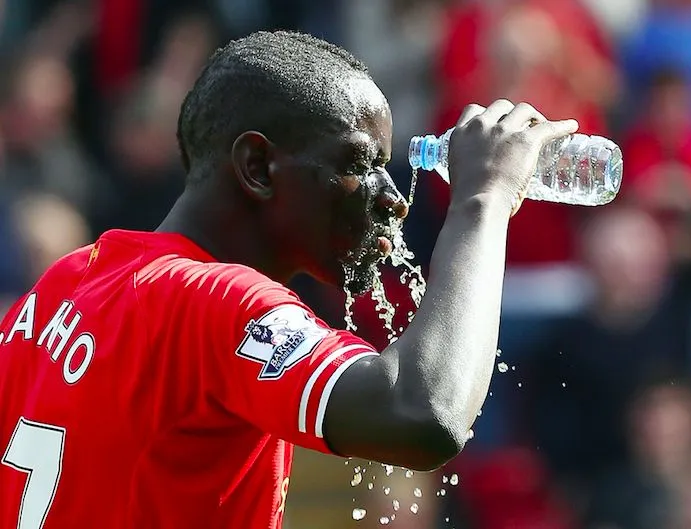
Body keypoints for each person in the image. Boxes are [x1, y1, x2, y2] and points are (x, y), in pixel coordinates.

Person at [0, 31, 577, 528]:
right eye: (358, 165)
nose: (393, 200)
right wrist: (483, 200)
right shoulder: (212, 299)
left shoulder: (59, 287)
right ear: (257, 167)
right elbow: (422, 414)